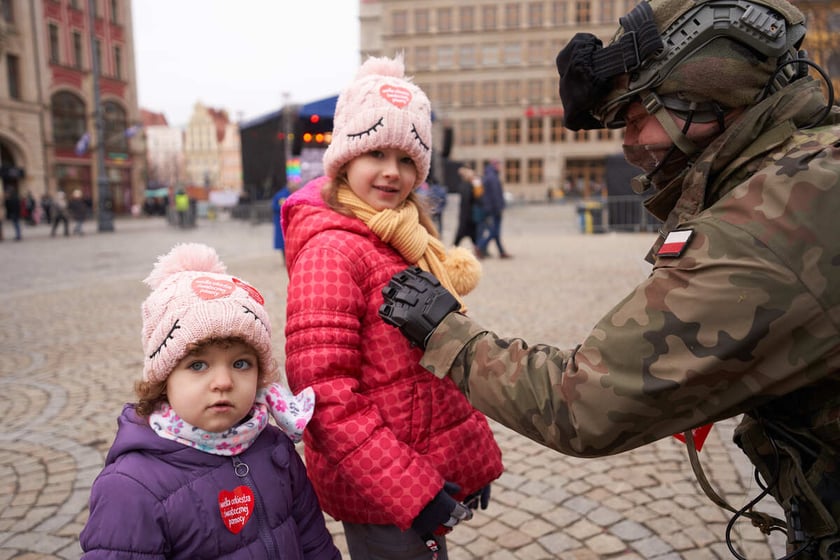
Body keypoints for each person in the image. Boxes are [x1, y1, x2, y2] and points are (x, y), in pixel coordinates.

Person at [379, 0, 840, 558]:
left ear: (699, 94)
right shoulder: (812, 166)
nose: (632, 141)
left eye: (634, 114)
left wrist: (445, 333)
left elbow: (585, 403)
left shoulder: (772, 221)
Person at [281, 54, 504, 560]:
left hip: (420, 475)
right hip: (381, 493)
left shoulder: (404, 235)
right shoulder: (330, 250)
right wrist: (414, 491)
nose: (392, 172)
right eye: (376, 153)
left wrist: (466, 461)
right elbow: (326, 395)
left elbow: (434, 366)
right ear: (345, 160)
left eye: (407, 160)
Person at [80, 242, 341, 560]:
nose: (223, 382)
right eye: (198, 365)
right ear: (164, 378)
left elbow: (314, 543)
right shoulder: (131, 488)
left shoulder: (275, 450)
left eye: (241, 363)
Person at [474, 160, 511, 259]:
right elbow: (495, 195)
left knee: (495, 231)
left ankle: (501, 251)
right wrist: (499, 208)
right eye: (499, 165)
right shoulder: (493, 178)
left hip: (490, 208)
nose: (501, 167)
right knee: (494, 231)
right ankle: (480, 246)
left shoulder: (488, 176)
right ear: (495, 166)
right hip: (494, 209)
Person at [452, 166, 479, 247]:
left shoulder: (466, 185)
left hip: (466, 215)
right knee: (462, 235)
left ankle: (480, 250)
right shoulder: (467, 186)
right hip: (468, 216)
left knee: (472, 236)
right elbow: (470, 201)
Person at [271, 185, 291, 263]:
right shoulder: (280, 195)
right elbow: (274, 207)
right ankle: (285, 260)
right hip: (281, 221)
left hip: (288, 221)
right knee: (282, 243)